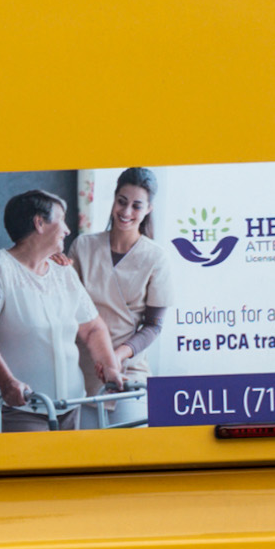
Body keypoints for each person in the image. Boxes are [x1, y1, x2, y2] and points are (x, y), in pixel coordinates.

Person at [0, 183, 116, 430]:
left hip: (70, 404)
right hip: (20, 407)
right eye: (62, 221)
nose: (68, 230)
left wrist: (110, 367)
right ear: (39, 223)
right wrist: (7, 383)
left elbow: (92, 328)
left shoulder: (62, 272)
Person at [78, 167, 173, 394]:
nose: (126, 211)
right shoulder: (83, 247)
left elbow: (153, 325)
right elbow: (68, 306)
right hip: (82, 368)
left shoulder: (157, 258)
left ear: (148, 209)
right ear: (113, 200)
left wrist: (118, 356)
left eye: (137, 206)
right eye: (122, 201)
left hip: (129, 368)